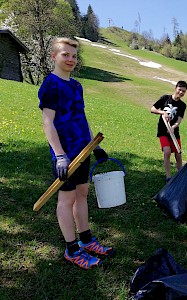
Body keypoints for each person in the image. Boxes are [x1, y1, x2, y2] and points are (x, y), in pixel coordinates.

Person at [38, 37, 115, 270]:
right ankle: (72, 250)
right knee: (66, 198)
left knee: (82, 194)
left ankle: (86, 239)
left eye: (74, 56)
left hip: (83, 149)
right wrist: (60, 155)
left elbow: (81, 118)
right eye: (65, 55)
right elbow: (47, 122)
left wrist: (95, 145)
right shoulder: (50, 84)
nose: (71, 59)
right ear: (54, 56)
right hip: (66, 155)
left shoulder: (76, 86)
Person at [151, 81, 187, 182]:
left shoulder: (182, 105)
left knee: (178, 153)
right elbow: (153, 109)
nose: (181, 92)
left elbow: (179, 120)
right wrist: (163, 112)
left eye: (183, 91)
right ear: (175, 88)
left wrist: (174, 127)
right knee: (167, 152)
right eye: (180, 89)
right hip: (163, 130)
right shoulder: (165, 98)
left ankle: (180, 175)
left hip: (174, 132)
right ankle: (168, 176)